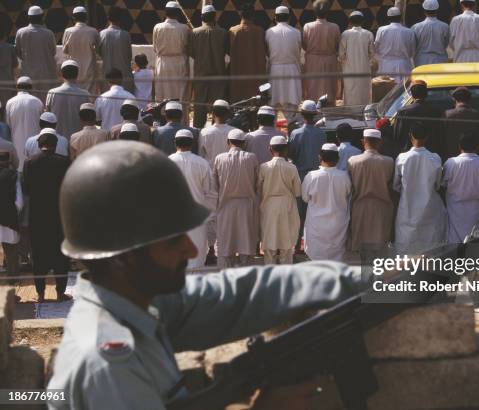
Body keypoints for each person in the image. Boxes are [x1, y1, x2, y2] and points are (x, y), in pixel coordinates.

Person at [46, 141, 364, 409]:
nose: (190, 249)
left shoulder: (138, 303)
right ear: (123, 258)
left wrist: (381, 279)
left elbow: (244, 291)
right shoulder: (108, 363)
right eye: (173, 240)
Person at [22, 130, 71, 302]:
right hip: (59, 215)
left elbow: (26, 189)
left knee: (39, 254)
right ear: (56, 144)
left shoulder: (29, 162)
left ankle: (41, 294)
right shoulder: (64, 162)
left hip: (38, 215)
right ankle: (60, 293)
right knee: (60, 256)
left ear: (38, 144)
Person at [394, 122, 446, 250]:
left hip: (407, 208)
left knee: (406, 247)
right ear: (427, 137)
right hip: (430, 209)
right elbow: (438, 185)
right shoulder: (435, 158)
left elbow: (396, 185)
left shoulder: (402, 158)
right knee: (430, 247)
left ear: (410, 136)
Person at [169, 129, 216, 271]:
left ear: (175, 143)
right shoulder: (202, 163)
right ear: (192, 143)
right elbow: (211, 193)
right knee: (196, 256)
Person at [213, 129, 259, 268]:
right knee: (246, 241)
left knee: (227, 242)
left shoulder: (219, 158)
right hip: (247, 205)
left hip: (225, 205)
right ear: (244, 143)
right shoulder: (251, 158)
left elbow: (215, 185)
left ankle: (227, 273)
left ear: (228, 142)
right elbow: (257, 183)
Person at [198, 100, 235, 263]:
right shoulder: (234, 132)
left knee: (211, 216)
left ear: (212, 114)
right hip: (229, 178)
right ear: (227, 113)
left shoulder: (205, 133)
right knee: (228, 214)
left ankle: (211, 250)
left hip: (211, 179)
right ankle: (227, 250)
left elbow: (201, 155)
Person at [289, 101, 327, 252]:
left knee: (300, 214)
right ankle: (315, 245)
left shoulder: (296, 133)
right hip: (318, 176)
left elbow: (291, 155)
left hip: (301, 176)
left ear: (302, 114)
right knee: (317, 211)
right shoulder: (322, 134)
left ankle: (298, 245)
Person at [347, 129, 394, 252]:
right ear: (380, 142)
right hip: (382, 209)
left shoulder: (353, 161)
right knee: (379, 250)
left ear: (363, 141)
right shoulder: (389, 162)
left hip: (360, 208)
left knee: (359, 249)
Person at [302, 143, 351, 261]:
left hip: (316, 225)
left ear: (320, 157)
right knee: (336, 258)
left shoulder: (312, 176)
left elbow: (305, 198)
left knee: (316, 257)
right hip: (338, 224)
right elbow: (348, 195)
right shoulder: (344, 176)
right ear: (338, 159)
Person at [258, 135, 302, 264]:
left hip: (268, 206)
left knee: (269, 241)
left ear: (269, 149)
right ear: (286, 150)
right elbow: (298, 192)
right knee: (286, 243)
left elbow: (259, 189)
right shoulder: (292, 167)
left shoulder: (264, 167)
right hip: (287, 206)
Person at [443, 133, 479, 243]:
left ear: (459, 146)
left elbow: (444, 183)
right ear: (477, 147)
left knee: (455, 246)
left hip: (456, 212)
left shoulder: (450, 163)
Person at [190, 5, 229, 128]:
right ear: (215, 17)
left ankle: (198, 129)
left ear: (202, 17)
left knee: (199, 105)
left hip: (201, 74)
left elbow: (191, 52)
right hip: (218, 74)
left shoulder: (195, 32)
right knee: (217, 106)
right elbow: (227, 50)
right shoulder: (223, 33)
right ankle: (216, 128)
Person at [15, 6, 58, 100]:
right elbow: (53, 51)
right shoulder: (49, 33)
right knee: (46, 100)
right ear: (42, 17)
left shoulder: (20, 32)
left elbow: (18, 52)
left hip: (28, 75)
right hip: (46, 74)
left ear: (29, 18)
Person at [302, 0, 341, 104]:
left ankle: (312, 107)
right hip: (330, 59)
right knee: (329, 85)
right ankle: (329, 107)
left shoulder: (307, 26)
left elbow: (304, 45)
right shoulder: (335, 27)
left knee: (313, 85)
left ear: (314, 13)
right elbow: (337, 46)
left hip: (312, 60)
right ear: (328, 12)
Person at [393, 80, 443, 159]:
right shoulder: (436, 111)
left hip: (409, 155)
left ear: (412, 95)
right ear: (426, 94)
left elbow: (397, 135)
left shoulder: (403, 111)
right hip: (431, 155)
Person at [153, 1, 191, 105]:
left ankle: (162, 119)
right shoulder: (184, 28)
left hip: (163, 64)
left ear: (165, 13)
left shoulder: (157, 27)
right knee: (180, 94)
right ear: (178, 13)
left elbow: (155, 48)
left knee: (162, 93)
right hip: (180, 64)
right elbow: (188, 47)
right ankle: (180, 119)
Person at [266, 6, 302, 114]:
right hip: (292, 70)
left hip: (275, 70)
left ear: (275, 18)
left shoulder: (268, 32)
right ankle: (291, 127)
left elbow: (267, 51)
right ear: (289, 18)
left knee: (274, 103)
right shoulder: (296, 32)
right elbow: (299, 50)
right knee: (292, 104)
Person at [229, 5, 267, 103]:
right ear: (253, 16)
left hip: (237, 77)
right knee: (254, 104)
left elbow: (227, 51)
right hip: (255, 78)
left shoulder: (233, 31)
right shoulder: (259, 31)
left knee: (238, 105)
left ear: (240, 15)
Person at [5, 77, 44, 171]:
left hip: (16, 150)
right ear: (31, 88)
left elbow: (8, 127)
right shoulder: (37, 102)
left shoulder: (10, 102)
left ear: (17, 87)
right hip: (34, 150)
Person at [46, 60, 91, 139]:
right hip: (78, 140)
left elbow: (48, 114)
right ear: (77, 74)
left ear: (62, 74)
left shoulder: (52, 93)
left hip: (57, 140)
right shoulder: (85, 94)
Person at [339, 11, 374, 106]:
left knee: (350, 90)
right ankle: (364, 111)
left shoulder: (345, 34)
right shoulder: (368, 34)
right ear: (362, 21)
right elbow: (372, 54)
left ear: (350, 22)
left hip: (349, 69)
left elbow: (341, 54)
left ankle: (351, 112)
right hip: (364, 68)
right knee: (364, 91)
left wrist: (344, 63)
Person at [62, 7, 100, 94]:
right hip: (89, 71)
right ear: (86, 17)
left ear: (73, 18)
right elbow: (98, 50)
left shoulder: (68, 31)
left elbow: (65, 50)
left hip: (73, 71)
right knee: (89, 98)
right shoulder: (93, 31)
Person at [374, 7, 416, 84]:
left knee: (386, 91)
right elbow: (412, 52)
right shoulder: (409, 32)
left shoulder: (381, 30)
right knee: (403, 91)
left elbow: (375, 48)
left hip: (386, 66)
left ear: (388, 18)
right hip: (403, 66)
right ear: (400, 17)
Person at [443, 87, 479, 161]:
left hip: (451, 159)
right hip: (475, 159)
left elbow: (441, 137)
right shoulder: (478, 115)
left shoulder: (447, 114)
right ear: (469, 99)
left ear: (454, 99)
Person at [0, 152, 23, 286]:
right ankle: (11, 287)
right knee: (12, 255)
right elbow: (19, 202)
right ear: (8, 161)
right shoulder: (14, 175)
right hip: (9, 220)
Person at [99, 7, 134, 93]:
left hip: (107, 79)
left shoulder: (102, 34)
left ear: (108, 18)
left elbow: (99, 54)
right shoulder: (125, 35)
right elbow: (129, 56)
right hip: (124, 79)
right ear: (120, 20)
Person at [412, 0, 450, 67]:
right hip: (440, 60)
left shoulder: (416, 27)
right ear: (437, 10)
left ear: (424, 10)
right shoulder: (445, 26)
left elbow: (413, 45)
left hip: (421, 61)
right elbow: (446, 43)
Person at [0, 26, 18, 108]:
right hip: (7, 81)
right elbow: (16, 64)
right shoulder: (10, 47)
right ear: (5, 36)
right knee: (7, 106)